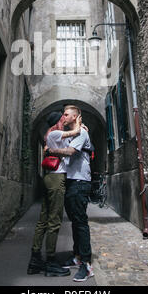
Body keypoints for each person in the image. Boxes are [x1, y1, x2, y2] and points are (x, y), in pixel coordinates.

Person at [27, 110, 82, 277]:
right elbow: (76, 132)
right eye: (62, 117)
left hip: (50, 178)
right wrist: (78, 121)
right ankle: (50, 262)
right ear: (57, 121)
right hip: (56, 179)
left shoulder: (53, 136)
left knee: (43, 219)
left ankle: (35, 260)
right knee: (54, 220)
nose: (64, 119)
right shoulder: (55, 133)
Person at [44, 105, 94, 282]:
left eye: (66, 115)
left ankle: (87, 265)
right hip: (72, 181)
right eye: (63, 114)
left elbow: (70, 152)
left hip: (80, 182)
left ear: (75, 116)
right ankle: (77, 256)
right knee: (74, 221)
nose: (63, 117)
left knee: (80, 222)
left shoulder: (82, 134)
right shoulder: (73, 132)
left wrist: (51, 151)